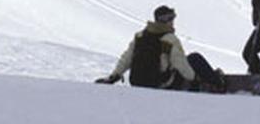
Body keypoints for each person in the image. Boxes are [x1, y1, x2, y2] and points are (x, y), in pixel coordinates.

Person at [96, 5, 225, 92]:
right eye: (171, 18)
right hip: (161, 84)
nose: (173, 22)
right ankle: (217, 82)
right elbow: (180, 63)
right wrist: (194, 79)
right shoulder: (169, 38)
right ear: (165, 20)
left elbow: (127, 58)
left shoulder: (140, 36)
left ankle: (211, 78)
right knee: (195, 58)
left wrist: (114, 76)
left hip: (137, 82)